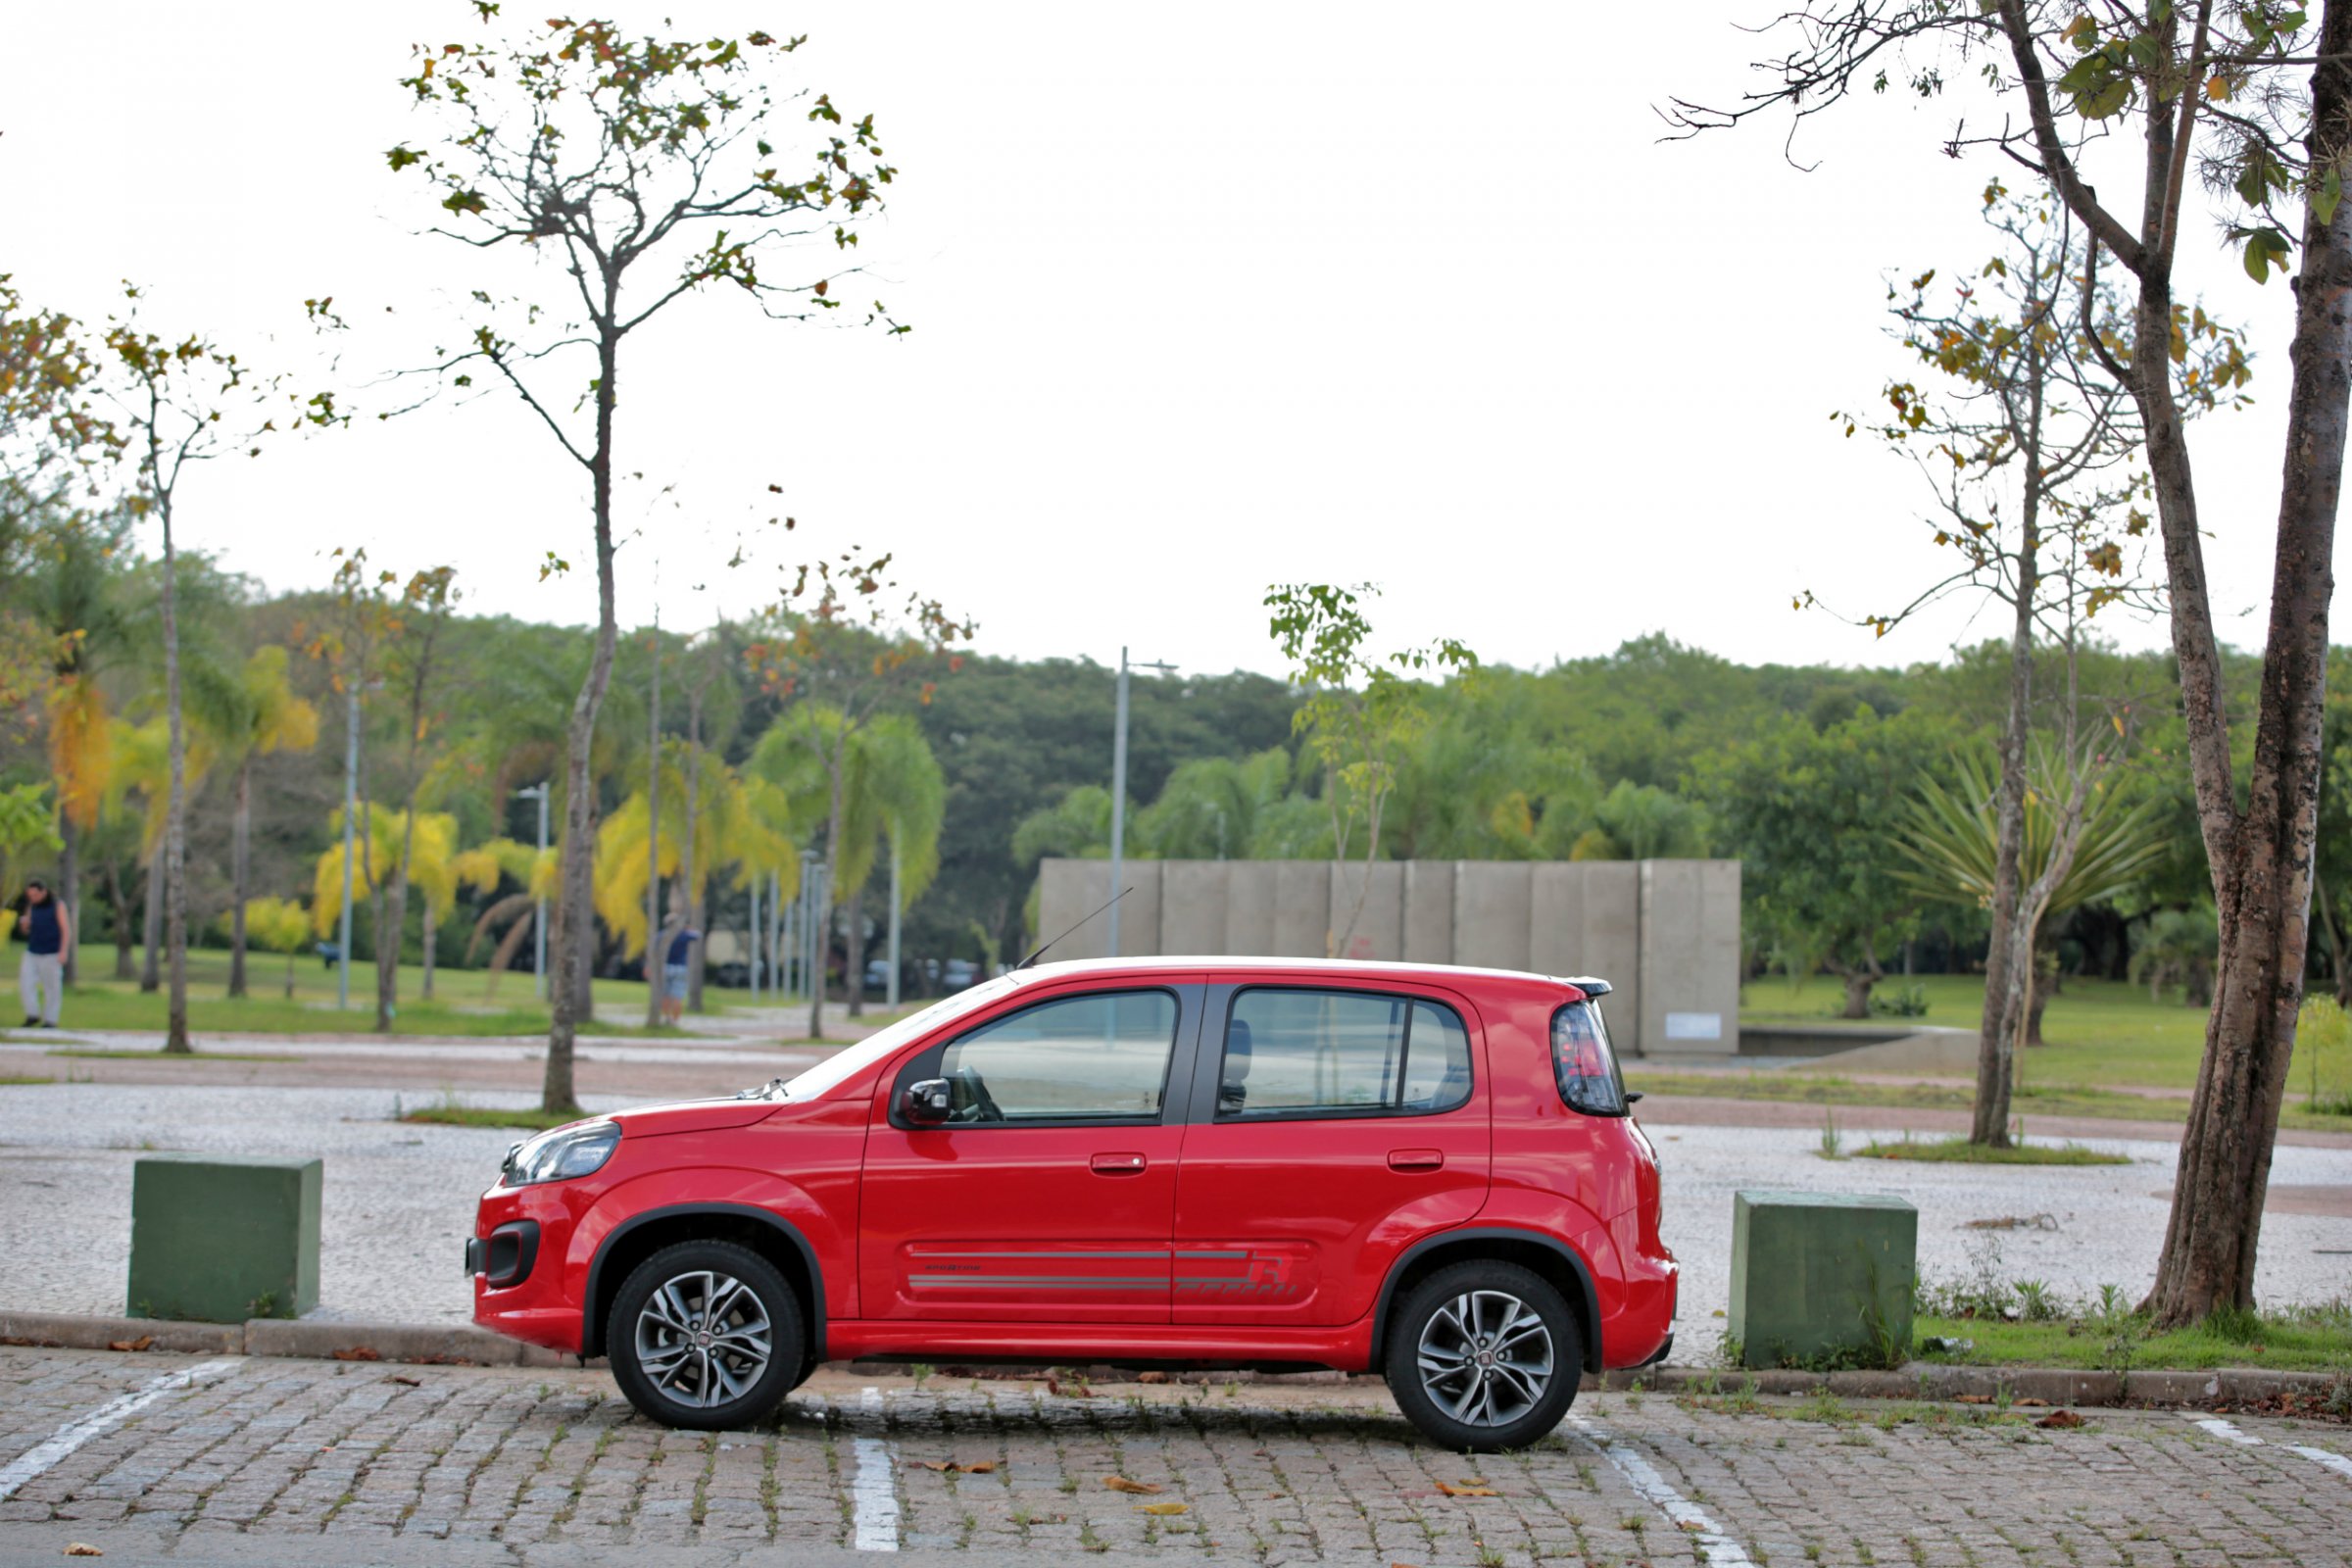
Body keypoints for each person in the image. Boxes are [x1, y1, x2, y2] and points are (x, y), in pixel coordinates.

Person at [17, 879, 69, 1030]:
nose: (33, 898)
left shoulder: (57, 905)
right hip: (33, 951)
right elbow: (26, 930)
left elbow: (65, 929)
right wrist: (24, 925)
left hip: (52, 952)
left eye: (35, 895)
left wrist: (63, 951)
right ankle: (32, 1014)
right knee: (26, 982)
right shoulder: (32, 906)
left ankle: (51, 1020)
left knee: (52, 987)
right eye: (30, 896)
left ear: (43, 892)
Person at [662, 924, 702, 1026]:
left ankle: (666, 1018)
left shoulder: (663, 935)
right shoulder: (683, 935)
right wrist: (687, 929)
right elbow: (698, 935)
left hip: (666, 967)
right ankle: (675, 1021)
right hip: (680, 968)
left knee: (665, 995)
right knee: (677, 996)